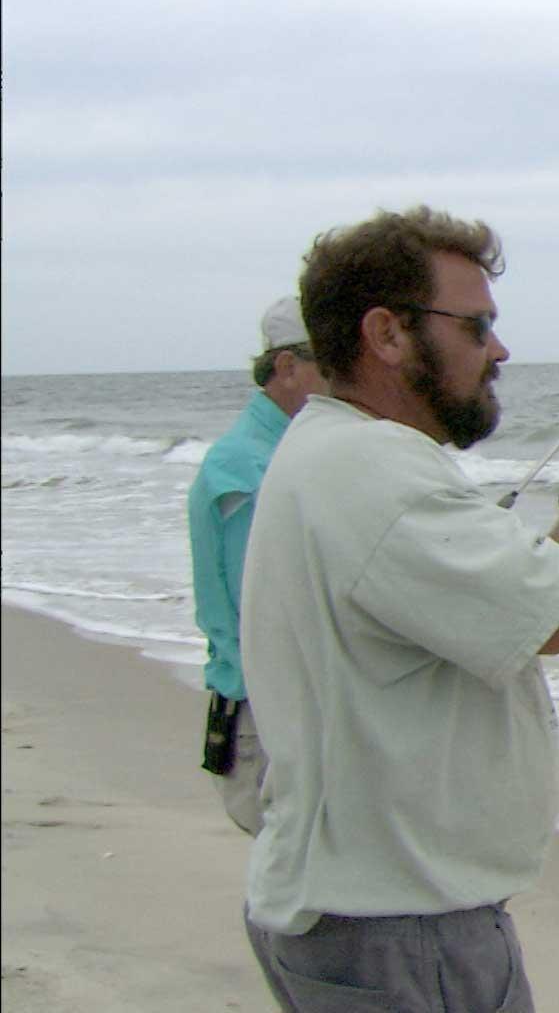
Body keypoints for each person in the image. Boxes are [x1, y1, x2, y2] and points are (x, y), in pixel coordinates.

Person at [237, 207, 559, 1011]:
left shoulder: (332, 453)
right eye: (477, 326)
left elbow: (516, 586)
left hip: (364, 912)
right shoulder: (373, 472)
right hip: (399, 928)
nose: (499, 350)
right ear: (387, 334)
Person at [187, 295, 326, 835]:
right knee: (298, 889)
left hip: (286, 707)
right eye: (328, 360)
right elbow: (269, 600)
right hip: (262, 712)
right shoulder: (245, 462)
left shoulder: (289, 451)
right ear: (286, 366)